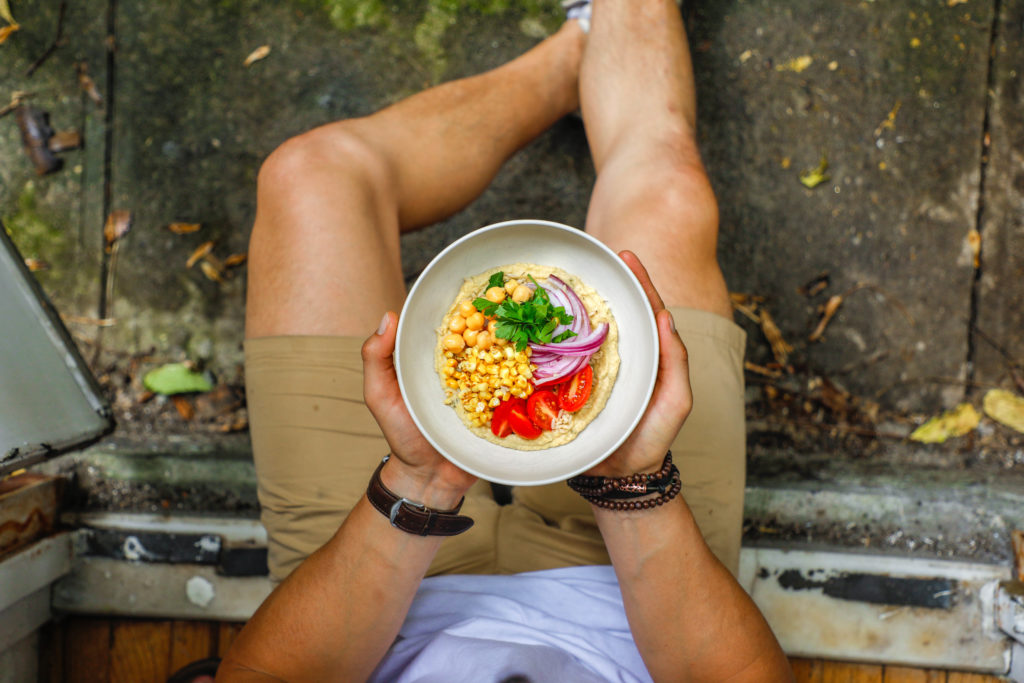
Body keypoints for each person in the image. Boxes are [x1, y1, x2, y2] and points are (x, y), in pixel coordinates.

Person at [222, 0, 793, 680]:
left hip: (369, 619)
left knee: (309, 175)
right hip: (629, 605)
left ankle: (569, 64)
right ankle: (609, 28)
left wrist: (420, 481)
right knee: (669, 194)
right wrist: (632, 483)